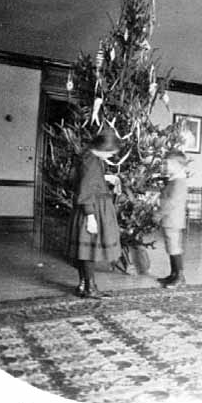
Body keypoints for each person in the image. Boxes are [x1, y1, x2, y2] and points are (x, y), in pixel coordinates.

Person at [66, 128, 122, 298]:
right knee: (89, 250)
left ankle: (84, 285)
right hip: (92, 209)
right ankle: (90, 288)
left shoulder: (88, 156)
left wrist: (106, 178)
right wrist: (91, 217)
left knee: (85, 248)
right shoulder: (91, 161)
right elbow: (85, 189)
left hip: (89, 207)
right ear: (103, 148)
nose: (111, 157)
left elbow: (85, 179)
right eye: (111, 153)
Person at [155, 149, 188, 289]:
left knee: (174, 247)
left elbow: (171, 202)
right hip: (170, 219)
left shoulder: (179, 182)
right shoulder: (174, 180)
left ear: (178, 165)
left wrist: (158, 214)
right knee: (171, 247)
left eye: (168, 164)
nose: (165, 167)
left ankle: (179, 277)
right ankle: (174, 274)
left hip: (172, 219)